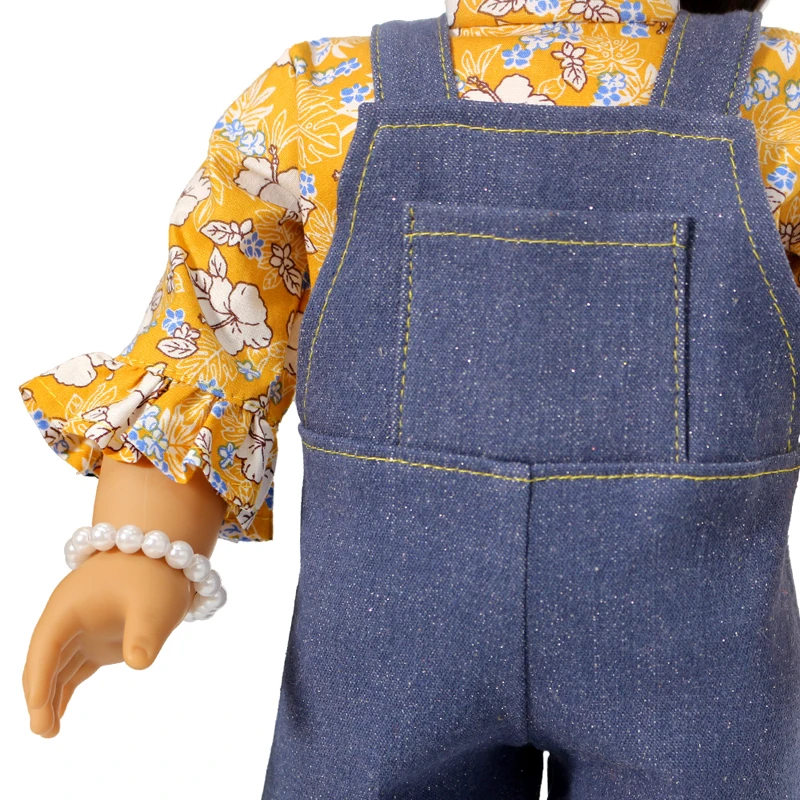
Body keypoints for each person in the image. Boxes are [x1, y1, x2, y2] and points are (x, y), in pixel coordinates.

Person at [19, 0, 800, 796]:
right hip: (416, 645)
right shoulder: (317, 96)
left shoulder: (781, 98)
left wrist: (142, 544)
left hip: (668, 651)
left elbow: (215, 330)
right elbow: (215, 336)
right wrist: (141, 546)